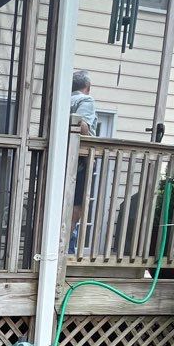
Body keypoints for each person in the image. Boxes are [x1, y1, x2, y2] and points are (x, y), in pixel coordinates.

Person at [68, 70, 96, 253]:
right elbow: (82, 126)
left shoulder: (63, 100)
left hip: (62, 161)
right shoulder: (85, 101)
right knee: (75, 209)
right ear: (87, 87)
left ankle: (64, 248)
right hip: (78, 163)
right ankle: (65, 249)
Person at [70, 70, 97, 137]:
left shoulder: (64, 100)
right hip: (80, 146)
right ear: (88, 85)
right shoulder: (86, 100)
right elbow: (81, 127)